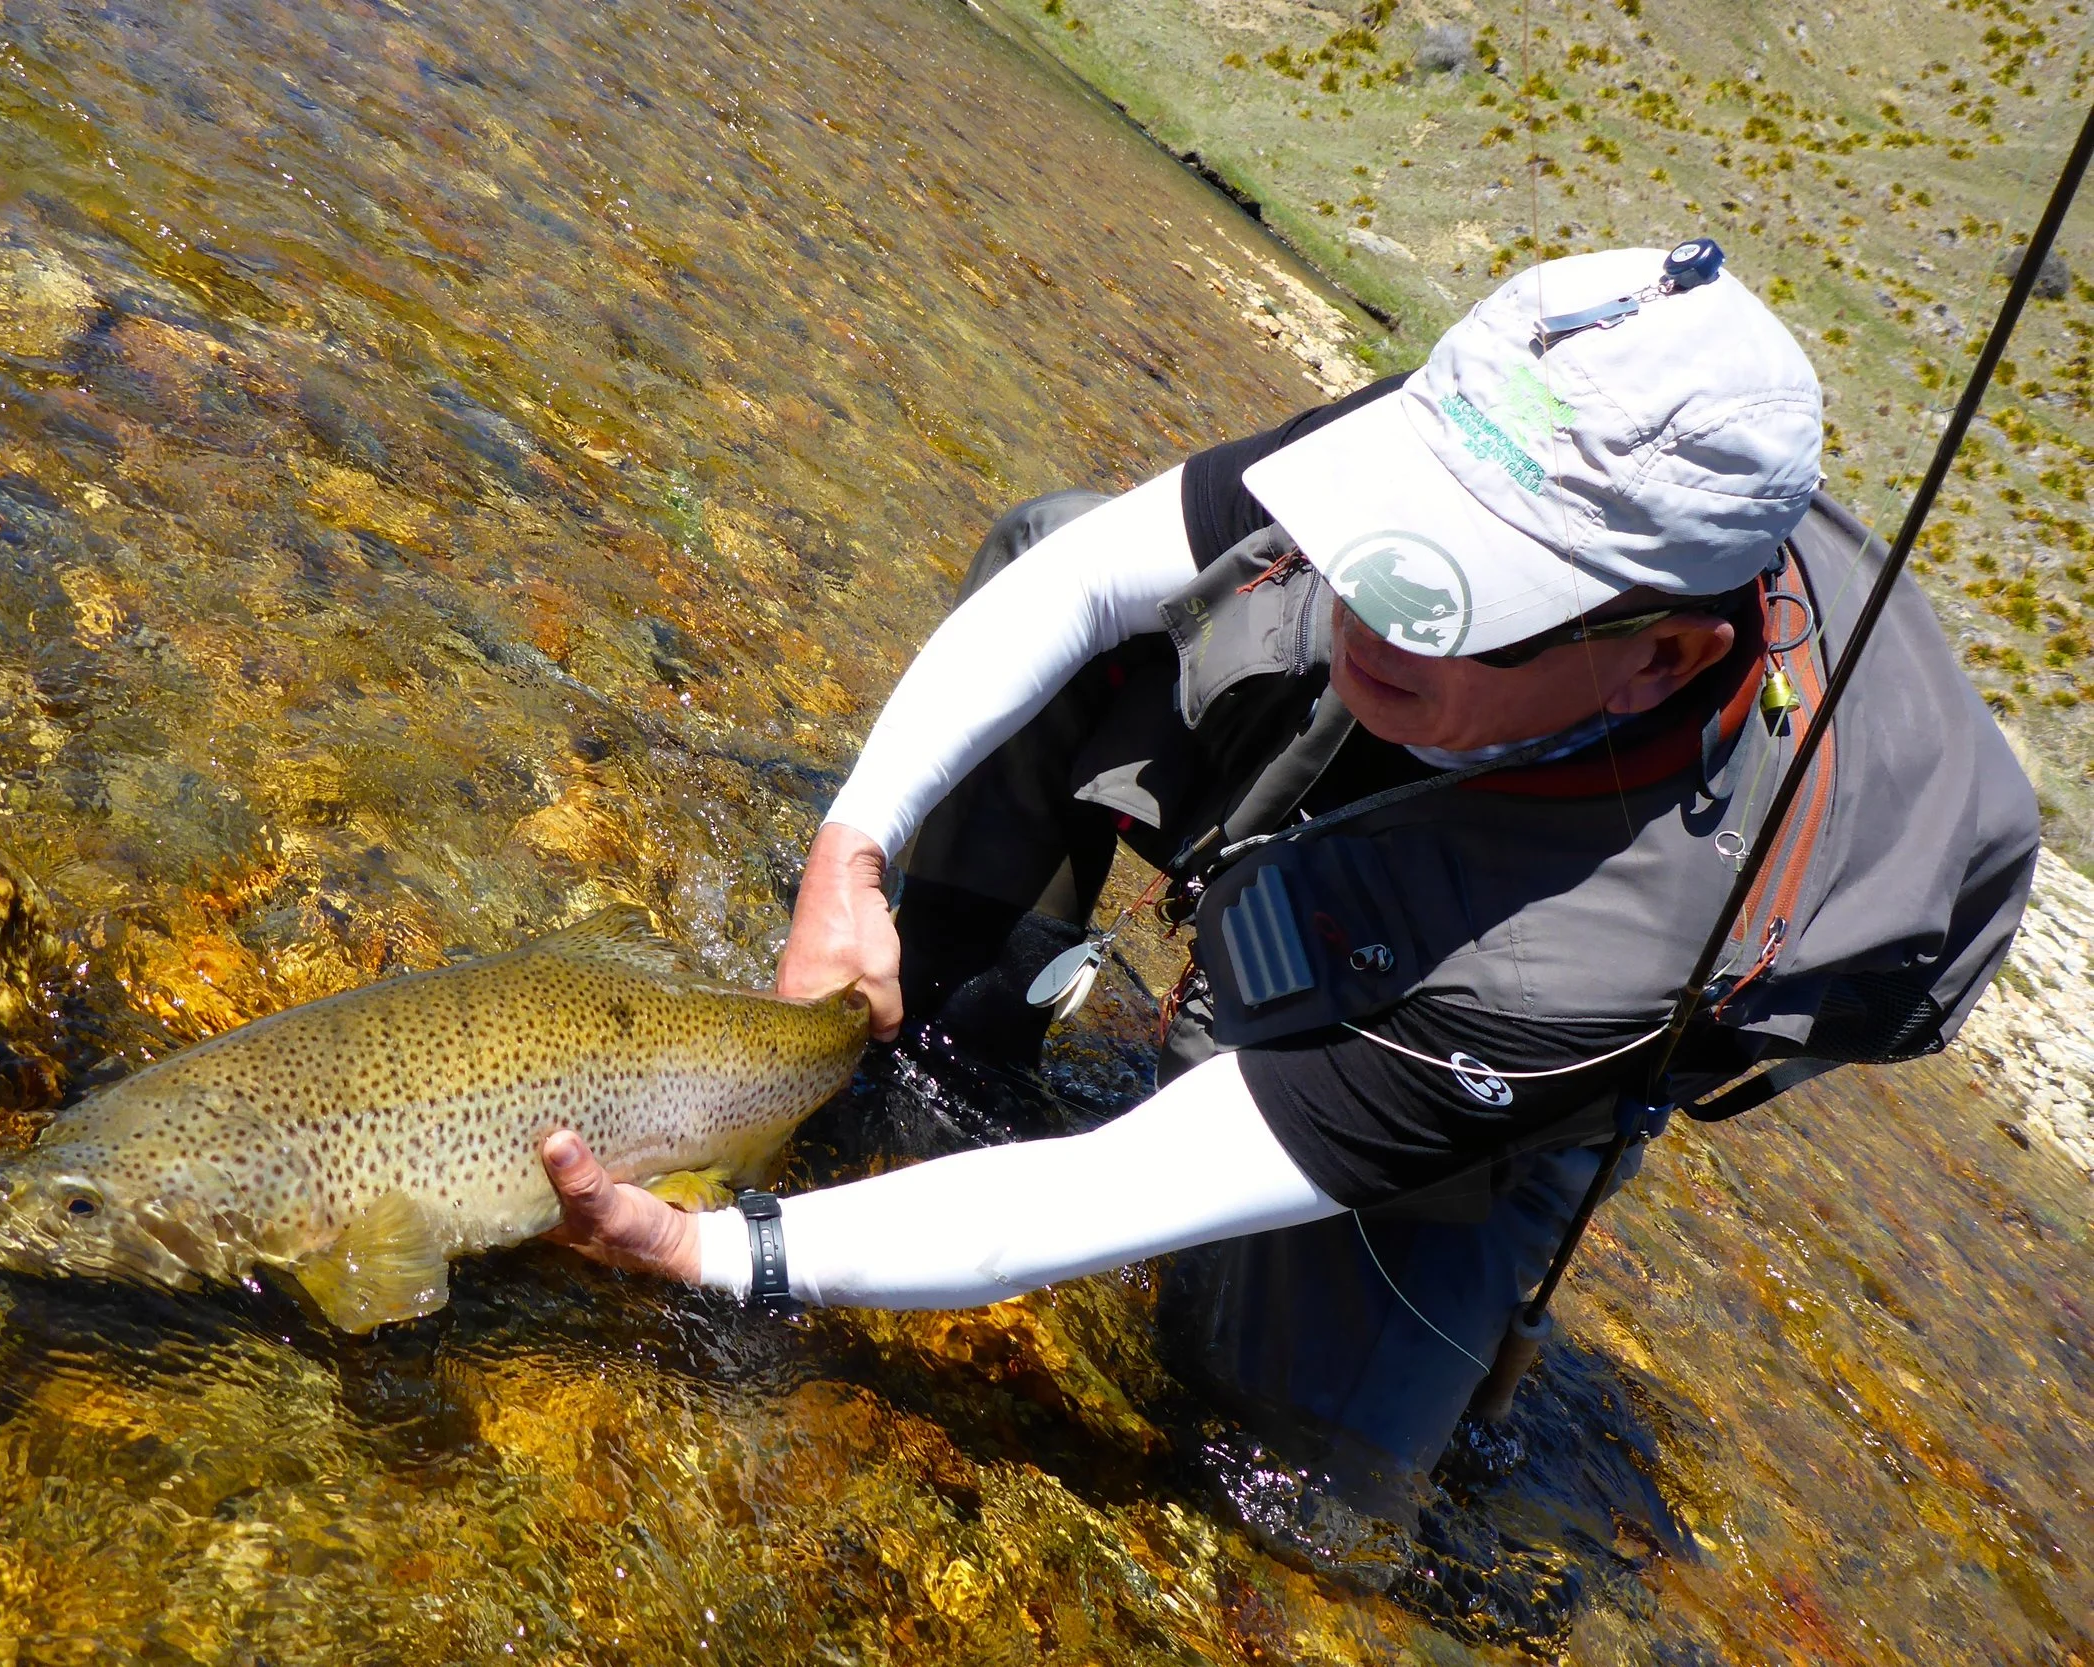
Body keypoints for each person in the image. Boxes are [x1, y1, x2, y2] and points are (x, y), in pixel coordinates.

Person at [536, 244, 2041, 1515]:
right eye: (1391, 535)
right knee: (1066, 555)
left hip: (1598, 894)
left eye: (1458, 594)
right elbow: (1081, 575)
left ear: (1662, 649)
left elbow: (1125, 1182)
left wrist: (724, 1250)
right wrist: (849, 846)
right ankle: (922, 1051)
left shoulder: (1592, 958)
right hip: (1537, 718)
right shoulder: (1509, 414)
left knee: (1281, 1470)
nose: (1377, 613)